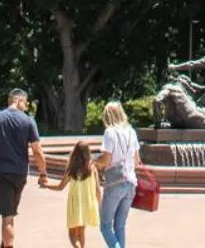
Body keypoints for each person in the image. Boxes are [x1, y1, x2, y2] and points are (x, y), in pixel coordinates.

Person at [0, 89, 48, 248]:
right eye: (26, 103)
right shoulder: (28, 121)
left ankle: (8, 245)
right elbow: (37, 150)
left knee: (7, 216)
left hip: (1, 172)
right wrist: (43, 173)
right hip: (20, 173)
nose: (26, 106)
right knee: (11, 213)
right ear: (19, 100)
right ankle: (4, 244)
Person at [93, 100, 140, 248]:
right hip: (131, 183)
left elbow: (106, 160)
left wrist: (94, 163)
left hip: (115, 183)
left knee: (105, 225)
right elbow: (137, 160)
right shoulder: (131, 131)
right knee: (120, 226)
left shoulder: (110, 132)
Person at [44, 140, 99, 248]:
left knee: (72, 234)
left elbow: (60, 187)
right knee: (82, 232)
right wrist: (99, 205)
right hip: (87, 204)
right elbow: (98, 190)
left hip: (75, 204)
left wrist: (47, 185)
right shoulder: (92, 169)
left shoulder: (72, 170)